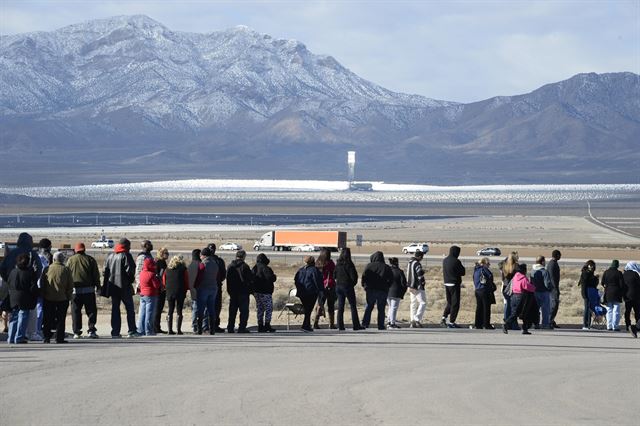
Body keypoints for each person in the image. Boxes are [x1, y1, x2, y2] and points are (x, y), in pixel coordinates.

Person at [0, 232, 43, 341]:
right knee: (26, 314)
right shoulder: (32, 253)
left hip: (11, 288)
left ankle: (11, 337)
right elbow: (39, 268)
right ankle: (25, 335)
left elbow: (2, 269)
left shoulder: (11, 254)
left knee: (13, 314)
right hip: (26, 290)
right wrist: (33, 280)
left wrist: (9, 280)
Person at [103, 238, 139, 338]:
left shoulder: (110, 256)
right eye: (129, 246)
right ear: (126, 246)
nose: (130, 248)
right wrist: (130, 281)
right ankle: (132, 331)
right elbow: (131, 271)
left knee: (115, 309)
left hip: (113, 288)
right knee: (130, 309)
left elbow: (104, 271)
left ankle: (115, 332)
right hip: (124, 287)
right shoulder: (126, 255)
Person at [66, 242, 100, 339]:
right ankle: (91, 330)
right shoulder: (90, 260)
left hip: (75, 291)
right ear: (84, 249)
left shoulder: (70, 260)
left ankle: (76, 332)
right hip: (89, 290)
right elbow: (96, 275)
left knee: (76, 312)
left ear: (75, 250)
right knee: (91, 311)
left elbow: (67, 275)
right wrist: (98, 287)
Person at [6, 253, 39, 344]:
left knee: (14, 318)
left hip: (13, 298)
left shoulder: (13, 272)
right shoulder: (29, 272)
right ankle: (19, 337)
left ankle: (11, 337)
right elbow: (33, 287)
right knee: (23, 317)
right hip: (25, 298)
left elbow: (8, 283)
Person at [42, 252, 73, 343]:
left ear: (54, 259)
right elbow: (70, 285)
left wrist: (44, 294)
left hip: (48, 298)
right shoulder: (66, 270)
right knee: (61, 319)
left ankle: (46, 337)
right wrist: (68, 296)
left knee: (47, 318)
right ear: (63, 260)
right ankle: (59, 338)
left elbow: (42, 283)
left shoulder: (47, 269)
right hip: (62, 298)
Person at [28, 238, 52, 342]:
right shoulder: (41, 259)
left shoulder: (39, 258)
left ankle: (35, 330)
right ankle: (35, 331)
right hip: (39, 287)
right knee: (39, 310)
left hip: (38, 286)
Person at [361, 251, 393, 330]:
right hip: (382, 290)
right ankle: (381, 325)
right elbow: (391, 279)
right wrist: (387, 286)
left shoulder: (369, 266)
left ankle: (365, 323)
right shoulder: (386, 267)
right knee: (381, 309)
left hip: (370, 290)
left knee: (369, 307)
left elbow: (364, 277)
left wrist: (365, 286)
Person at [503, 264, 536, 334]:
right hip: (521, 297)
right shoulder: (523, 278)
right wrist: (534, 287)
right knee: (522, 313)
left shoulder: (515, 277)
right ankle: (506, 324)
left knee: (516, 313)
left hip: (513, 296)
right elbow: (526, 286)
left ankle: (525, 329)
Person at [226, 250, 254, 333]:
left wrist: (229, 291)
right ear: (244, 256)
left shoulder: (230, 266)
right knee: (244, 312)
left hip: (233, 292)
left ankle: (230, 327)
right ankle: (242, 327)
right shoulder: (245, 266)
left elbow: (228, 279)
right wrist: (251, 290)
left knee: (232, 311)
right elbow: (250, 279)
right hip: (243, 292)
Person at [334, 248, 362, 331]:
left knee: (340, 307)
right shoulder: (349, 264)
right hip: (347, 286)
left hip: (338, 286)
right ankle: (356, 325)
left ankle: (340, 325)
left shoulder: (338, 264)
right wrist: (352, 284)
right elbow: (354, 277)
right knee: (353, 306)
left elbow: (334, 275)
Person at [294, 256, 323, 332]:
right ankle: (305, 326)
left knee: (307, 309)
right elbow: (317, 281)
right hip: (311, 292)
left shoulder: (301, 270)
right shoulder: (314, 270)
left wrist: (299, 288)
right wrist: (320, 290)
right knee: (308, 309)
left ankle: (306, 325)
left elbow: (296, 280)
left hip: (301, 293)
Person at [195, 247, 218, 335]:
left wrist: (195, 286)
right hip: (213, 287)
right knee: (211, 308)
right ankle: (212, 330)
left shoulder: (203, 264)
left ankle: (199, 329)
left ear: (203, 255)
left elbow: (199, 277)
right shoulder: (215, 263)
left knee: (200, 308)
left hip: (204, 288)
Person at [441, 245, 465, 328]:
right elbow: (463, 272)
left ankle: (444, 317)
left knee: (449, 302)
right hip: (454, 284)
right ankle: (451, 322)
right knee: (455, 304)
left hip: (446, 283)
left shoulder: (445, 260)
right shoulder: (456, 261)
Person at [252, 253, 277, 333]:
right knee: (268, 309)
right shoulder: (266, 268)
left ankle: (260, 326)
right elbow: (270, 278)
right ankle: (267, 325)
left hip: (256, 292)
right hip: (265, 292)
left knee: (260, 309)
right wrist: (274, 276)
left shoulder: (254, 268)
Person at [164, 255, 189, 335]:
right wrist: (187, 288)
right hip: (180, 291)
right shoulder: (183, 269)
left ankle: (169, 330)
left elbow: (164, 280)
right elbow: (186, 280)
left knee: (170, 310)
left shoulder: (167, 269)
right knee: (179, 310)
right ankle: (178, 330)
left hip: (170, 291)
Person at [314, 249, 337, 329]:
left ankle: (315, 322)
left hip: (320, 286)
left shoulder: (317, 263)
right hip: (330, 285)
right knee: (331, 305)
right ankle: (331, 323)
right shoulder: (330, 263)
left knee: (320, 304)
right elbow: (334, 273)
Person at [137, 257, 160, 336]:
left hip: (142, 294)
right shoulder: (151, 274)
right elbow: (156, 285)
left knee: (142, 313)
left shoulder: (142, 273)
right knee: (149, 313)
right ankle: (148, 330)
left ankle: (141, 329)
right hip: (150, 295)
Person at [208, 243, 227, 333]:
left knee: (215, 306)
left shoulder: (218, 261)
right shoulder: (218, 261)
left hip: (214, 286)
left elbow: (223, 274)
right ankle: (212, 325)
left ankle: (213, 324)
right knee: (215, 306)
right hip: (215, 285)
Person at [531, 256, 553, 329]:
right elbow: (547, 283)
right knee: (545, 310)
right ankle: (545, 324)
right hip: (544, 292)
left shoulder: (532, 270)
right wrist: (551, 288)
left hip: (534, 292)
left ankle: (535, 323)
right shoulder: (544, 271)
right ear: (542, 262)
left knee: (535, 309)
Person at [601, 260, 625, 331]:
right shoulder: (619, 273)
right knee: (616, 311)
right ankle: (615, 326)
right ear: (617, 265)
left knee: (609, 310)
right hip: (617, 293)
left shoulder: (606, 272)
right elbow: (621, 285)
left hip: (608, 293)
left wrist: (606, 287)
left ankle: (609, 326)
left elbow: (602, 283)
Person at [473, 257, 495, 329]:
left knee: (479, 307)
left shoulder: (476, 269)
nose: (489, 265)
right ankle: (486, 324)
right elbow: (490, 276)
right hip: (484, 290)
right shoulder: (484, 269)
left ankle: (478, 324)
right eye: (488, 263)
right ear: (484, 263)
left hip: (477, 290)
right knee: (486, 308)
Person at [499, 252, 520, 330]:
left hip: (505, 287)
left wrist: (507, 259)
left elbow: (500, 264)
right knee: (514, 307)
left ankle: (506, 321)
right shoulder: (516, 267)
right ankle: (513, 324)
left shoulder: (504, 266)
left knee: (508, 305)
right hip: (512, 288)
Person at [406, 249, 426, 328]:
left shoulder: (410, 263)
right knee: (423, 303)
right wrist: (423, 283)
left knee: (413, 303)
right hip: (417, 286)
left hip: (410, 286)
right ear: (420, 257)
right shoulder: (417, 264)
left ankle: (412, 321)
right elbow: (419, 275)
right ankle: (417, 319)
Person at [387, 257, 407, 329]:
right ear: (397, 263)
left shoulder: (388, 270)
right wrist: (403, 291)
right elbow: (403, 283)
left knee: (390, 307)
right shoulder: (399, 271)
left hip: (387, 292)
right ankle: (392, 323)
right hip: (396, 292)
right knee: (394, 308)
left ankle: (389, 321)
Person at [578, 260, 599, 330]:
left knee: (589, 309)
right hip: (586, 293)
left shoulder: (590, 274)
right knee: (587, 309)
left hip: (590, 293)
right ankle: (585, 325)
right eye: (591, 266)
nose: (592, 267)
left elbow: (593, 283)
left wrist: (596, 278)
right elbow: (584, 284)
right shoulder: (585, 273)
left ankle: (588, 324)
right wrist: (584, 295)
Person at [153, 247, 169, 334]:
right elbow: (160, 275)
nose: (167, 255)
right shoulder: (161, 262)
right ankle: (156, 327)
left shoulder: (156, 261)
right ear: (161, 254)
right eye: (166, 253)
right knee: (158, 308)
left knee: (157, 308)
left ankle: (156, 326)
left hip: (158, 288)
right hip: (160, 288)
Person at [622, 262, 640, 337]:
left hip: (627, 296)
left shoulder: (623, 275)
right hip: (636, 296)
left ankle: (627, 325)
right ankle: (637, 326)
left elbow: (622, 285)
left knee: (627, 311)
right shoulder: (636, 274)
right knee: (637, 311)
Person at [187, 249, 202, 333]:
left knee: (194, 307)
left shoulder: (191, 265)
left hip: (192, 288)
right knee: (197, 308)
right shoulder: (199, 264)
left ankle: (194, 324)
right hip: (198, 288)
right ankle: (195, 325)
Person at [547, 250, 562, 328]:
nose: (560, 256)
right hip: (553, 288)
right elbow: (552, 278)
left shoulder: (554, 263)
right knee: (554, 305)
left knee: (555, 305)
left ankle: (551, 320)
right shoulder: (552, 264)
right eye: (559, 255)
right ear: (557, 255)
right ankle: (549, 321)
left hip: (554, 287)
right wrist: (555, 289)